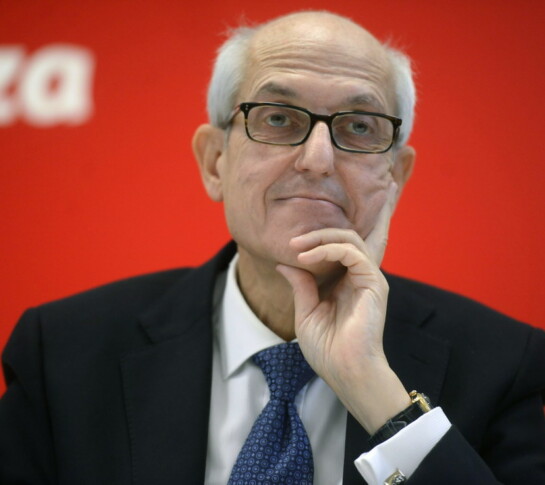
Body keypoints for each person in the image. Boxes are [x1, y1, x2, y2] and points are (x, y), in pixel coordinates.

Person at [1, 10, 544, 485]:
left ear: (395, 177)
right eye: (279, 119)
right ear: (215, 161)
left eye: (359, 127)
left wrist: (378, 395)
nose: (318, 159)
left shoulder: (502, 365)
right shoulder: (65, 354)